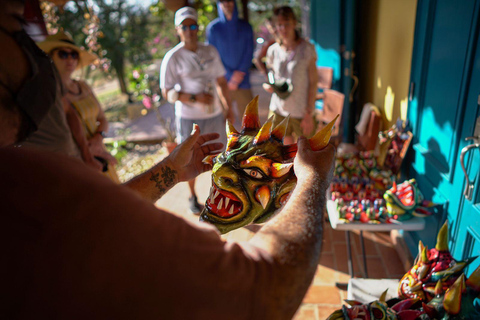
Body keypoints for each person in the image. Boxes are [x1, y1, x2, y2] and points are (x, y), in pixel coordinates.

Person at [1, 2, 336, 319]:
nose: (27, 49)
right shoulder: (31, 184)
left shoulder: (28, 180)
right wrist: (312, 179)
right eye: (16, 23)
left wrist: (169, 171)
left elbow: (106, 218)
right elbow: (262, 289)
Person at [160, 6, 234, 214]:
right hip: (189, 118)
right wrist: (194, 98)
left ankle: (220, 195)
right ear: (178, 29)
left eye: (193, 25)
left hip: (215, 114)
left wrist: (228, 107)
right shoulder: (173, 57)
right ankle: (193, 197)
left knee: (220, 156)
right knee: (189, 159)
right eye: (185, 26)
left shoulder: (209, 50)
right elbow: (167, 92)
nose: (190, 30)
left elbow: (221, 81)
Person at [37, 31, 120, 182]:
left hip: (98, 150)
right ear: (50, 57)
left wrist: (98, 139)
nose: (69, 59)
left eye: (73, 55)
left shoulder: (83, 86)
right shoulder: (49, 93)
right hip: (76, 157)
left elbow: (102, 118)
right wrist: (88, 150)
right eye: (63, 54)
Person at [264, 6, 318, 145]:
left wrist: (309, 114)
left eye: (287, 24)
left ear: (294, 23)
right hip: (279, 109)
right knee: (284, 153)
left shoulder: (307, 49)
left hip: (301, 112)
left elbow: (313, 82)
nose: (283, 28)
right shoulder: (273, 50)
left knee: (304, 152)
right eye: (279, 25)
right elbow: (271, 72)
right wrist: (270, 84)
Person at [207, 0, 254, 124]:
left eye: (229, 0)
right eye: (223, 1)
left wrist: (237, 77)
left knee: (249, 122)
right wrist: (228, 76)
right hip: (222, 83)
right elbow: (213, 56)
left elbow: (249, 52)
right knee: (225, 122)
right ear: (218, 4)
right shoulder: (213, 29)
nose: (226, 3)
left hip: (242, 82)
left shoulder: (246, 27)